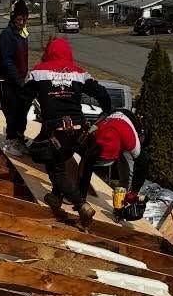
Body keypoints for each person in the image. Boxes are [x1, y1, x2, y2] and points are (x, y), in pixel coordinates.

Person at [23, 36, 111, 225]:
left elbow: (22, 100)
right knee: (62, 157)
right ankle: (56, 197)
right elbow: (101, 93)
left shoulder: (37, 72)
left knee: (55, 168)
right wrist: (107, 109)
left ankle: (81, 205)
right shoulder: (79, 73)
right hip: (78, 130)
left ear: (48, 53)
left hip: (55, 130)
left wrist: (16, 128)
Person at [78, 107, 145, 219]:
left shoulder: (131, 141)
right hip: (107, 127)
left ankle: (120, 207)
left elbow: (143, 165)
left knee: (127, 172)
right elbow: (86, 165)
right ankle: (80, 193)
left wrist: (134, 191)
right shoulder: (93, 134)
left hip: (126, 127)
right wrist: (81, 198)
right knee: (87, 163)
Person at [0, 0, 31, 156]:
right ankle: (10, 142)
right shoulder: (7, 35)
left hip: (20, 80)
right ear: (13, 18)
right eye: (19, 19)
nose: (22, 23)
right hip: (7, 81)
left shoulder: (22, 34)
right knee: (11, 112)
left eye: (24, 19)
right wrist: (18, 80)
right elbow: (7, 61)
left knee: (21, 112)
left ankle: (19, 139)